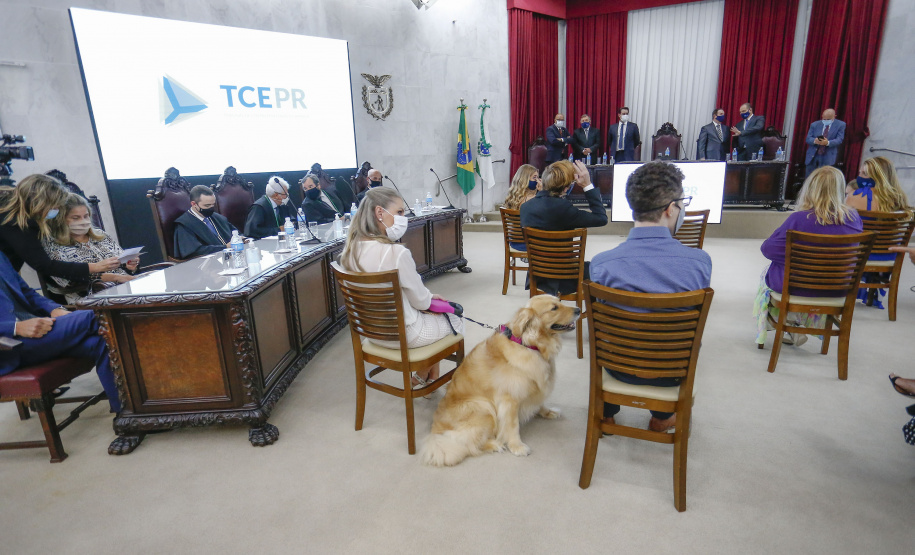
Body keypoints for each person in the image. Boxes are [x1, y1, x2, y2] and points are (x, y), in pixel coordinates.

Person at [590, 161, 712, 434]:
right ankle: (662, 416)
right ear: (670, 208)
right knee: (668, 336)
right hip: (671, 372)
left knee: (616, 334)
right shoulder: (699, 262)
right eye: (682, 204)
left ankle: (606, 416)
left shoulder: (601, 264)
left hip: (617, 366)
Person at [336, 187, 464, 388]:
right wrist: (432, 299)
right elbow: (421, 301)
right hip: (405, 336)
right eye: (400, 212)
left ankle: (429, 376)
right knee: (455, 319)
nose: (404, 218)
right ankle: (423, 375)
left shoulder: (348, 252)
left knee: (434, 313)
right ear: (380, 213)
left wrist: (428, 300)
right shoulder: (396, 253)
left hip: (370, 334)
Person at [754, 166, 863, 346]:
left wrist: (797, 259)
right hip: (837, 287)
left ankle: (789, 324)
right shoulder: (854, 218)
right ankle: (795, 324)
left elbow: (768, 249)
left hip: (796, 287)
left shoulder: (799, 219)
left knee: (769, 273)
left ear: (810, 189)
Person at [0, 251, 121, 413]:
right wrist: (16, 327)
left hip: (38, 329)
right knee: (100, 315)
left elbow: (26, 292)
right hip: (8, 346)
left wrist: (54, 308)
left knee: (102, 339)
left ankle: (125, 413)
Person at [0, 174, 119, 281]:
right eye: (54, 206)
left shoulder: (10, 209)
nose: (55, 211)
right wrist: (95, 267)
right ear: (39, 203)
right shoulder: (16, 223)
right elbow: (44, 265)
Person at [520, 159, 607, 296]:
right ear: (566, 188)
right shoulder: (565, 209)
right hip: (565, 276)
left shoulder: (525, 208)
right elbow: (601, 218)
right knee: (605, 267)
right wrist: (587, 185)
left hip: (537, 274)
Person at [43, 194, 139, 304]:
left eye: (86, 216)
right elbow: (67, 281)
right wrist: (114, 277)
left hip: (126, 287)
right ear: (60, 220)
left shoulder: (101, 235)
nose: (83, 221)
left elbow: (123, 264)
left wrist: (130, 265)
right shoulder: (53, 243)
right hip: (89, 298)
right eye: (76, 218)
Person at [846, 156, 911, 307]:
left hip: (859, 253)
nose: (859, 177)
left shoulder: (854, 197)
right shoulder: (899, 199)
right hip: (888, 254)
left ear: (876, 177)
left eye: (863, 174)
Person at [173, 185, 238, 259]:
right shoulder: (184, 224)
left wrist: (242, 239)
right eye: (207, 205)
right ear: (194, 204)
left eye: (212, 205)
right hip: (206, 265)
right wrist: (225, 247)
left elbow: (235, 232)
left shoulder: (217, 217)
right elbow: (194, 251)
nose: (210, 208)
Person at [804, 109, 846, 176]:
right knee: (809, 178)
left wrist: (827, 143)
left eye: (828, 119)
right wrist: (815, 140)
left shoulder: (841, 125)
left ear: (834, 116)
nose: (826, 121)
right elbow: (808, 139)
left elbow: (839, 139)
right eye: (824, 119)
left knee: (823, 179)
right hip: (813, 155)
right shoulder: (814, 125)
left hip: (828, 156)